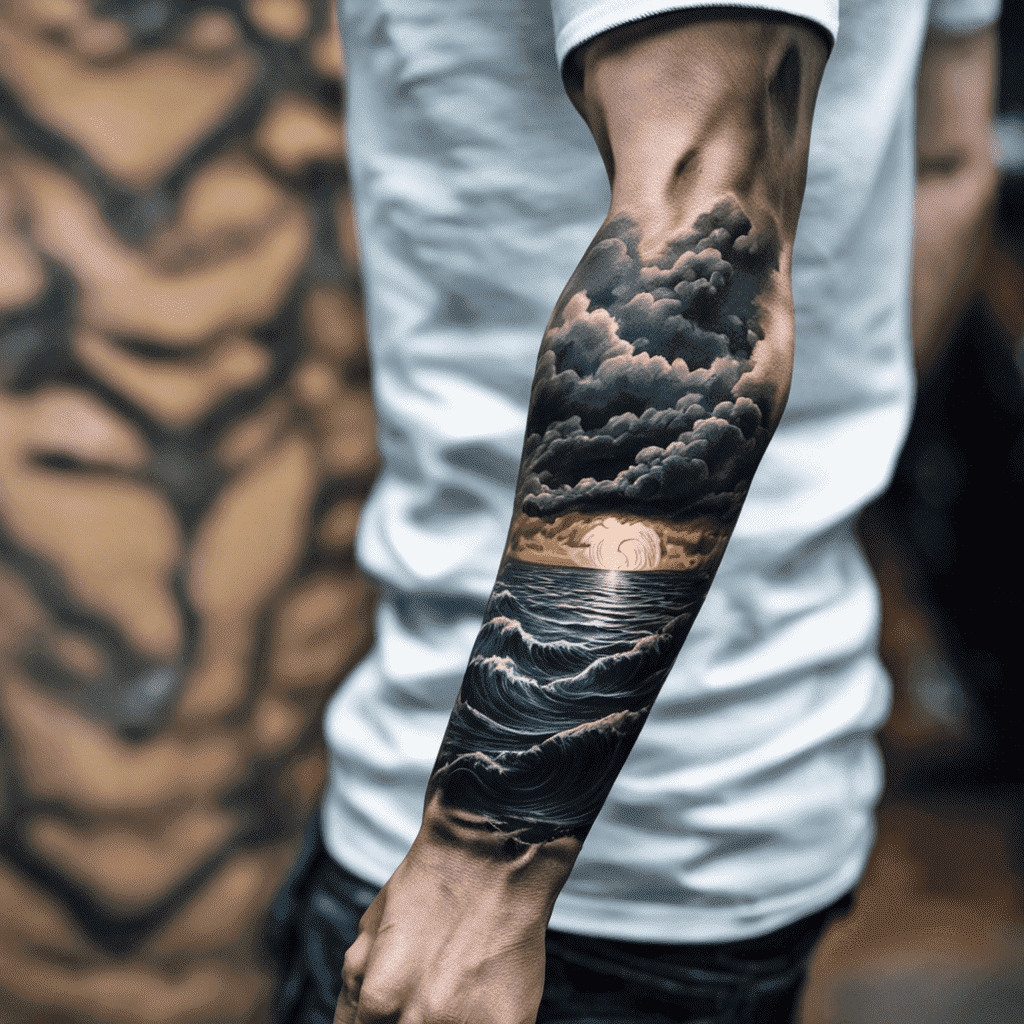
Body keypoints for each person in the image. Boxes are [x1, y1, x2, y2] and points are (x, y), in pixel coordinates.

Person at [268, 1, 1002, 1022]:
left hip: (526, 875)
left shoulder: (485, 873)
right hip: (765, 745)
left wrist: (484, 864)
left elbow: (705, 248)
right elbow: (946, 164)